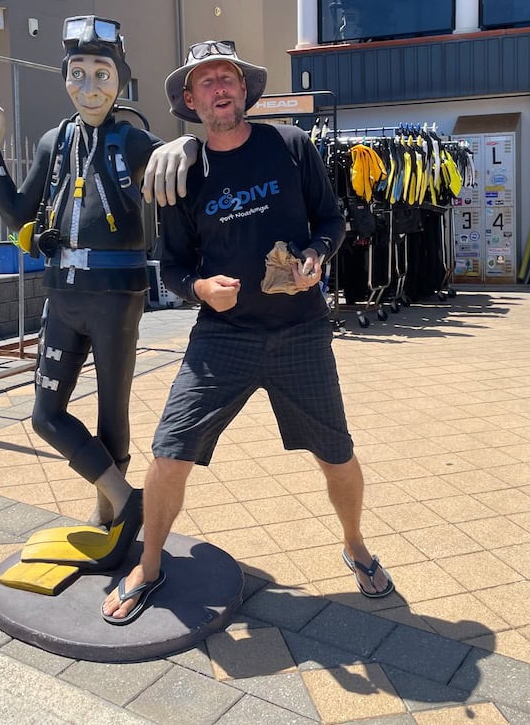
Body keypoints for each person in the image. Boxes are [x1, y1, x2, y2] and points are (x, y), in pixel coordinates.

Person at [102, 40, 393, 624]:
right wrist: (201, 290)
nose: (219, 88)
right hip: (222, 338)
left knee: (336, 456)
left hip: (301, 333)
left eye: (227, 77)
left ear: (244, 90)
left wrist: (315, 255)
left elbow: (332, 221)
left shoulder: (290, 146)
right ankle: (150, 564)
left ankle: (356, 545)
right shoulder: (182, 173)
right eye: (205, 81)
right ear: (191, 99)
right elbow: (175, 267)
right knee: (168, 454)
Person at [0, 16, 197, 577]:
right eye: (79, 74)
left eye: (103, 75)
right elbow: (19, 212)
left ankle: (109, 514)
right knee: (45, 414)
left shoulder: (132, 140)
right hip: (61, 293)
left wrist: (182, 144)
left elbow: (181, 169)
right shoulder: (53, 142)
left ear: (121, 81)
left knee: (114, 411)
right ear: (64, 77)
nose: (90, 88)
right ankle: (127, 500)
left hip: (116, 295)